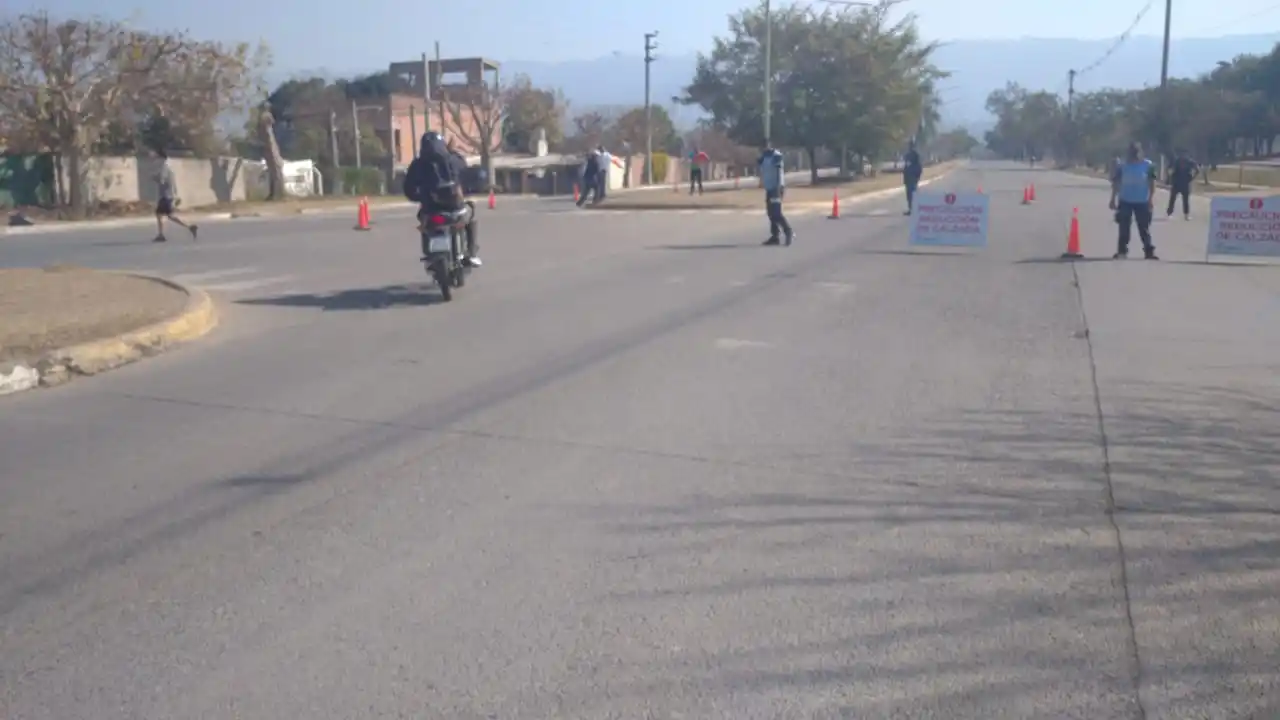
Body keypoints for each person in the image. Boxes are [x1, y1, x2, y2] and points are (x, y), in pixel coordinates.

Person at [404, 132, 480, 267]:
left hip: (430, 209)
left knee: (424, 223)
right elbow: (466, 173)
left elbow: (408, 188)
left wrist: (418, 197)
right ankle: (472, 253)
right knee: (469, 217)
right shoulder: (453, 159)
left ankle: (429, 253)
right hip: (455, 207)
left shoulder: (418, 164)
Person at [1109, 141, 1159, 260]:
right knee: (1124, 227)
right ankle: (1122, 251)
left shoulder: (1148, 165)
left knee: (1144, 227)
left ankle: (1148, 251)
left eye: (1136, 152)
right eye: (1132, 152)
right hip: (1125, 200)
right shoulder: (1122, 166)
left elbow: (1152, 183)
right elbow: (1116, 183)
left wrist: (1151, 199)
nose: (1134, 155)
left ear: (1140, 153)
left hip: (1142, 201)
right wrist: (1112, 199)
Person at [152, 149, 197, 242]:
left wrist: (154, 178)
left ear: (161, 158)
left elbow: (162, 180)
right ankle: (189, 227)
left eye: (156, 157)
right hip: (168, 195)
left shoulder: (164, 167)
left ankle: (162, 235)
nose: (155, 159)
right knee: (167, 215)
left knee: (163, 215)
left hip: (165, 196)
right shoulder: (168, 167)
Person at [759, 142, 793, 246]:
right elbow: (760, 166)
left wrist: (778, 188)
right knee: (770, 213)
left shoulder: (776, 156)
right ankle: (775, 236)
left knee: (776, 213)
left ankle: (788, 232)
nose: (764, 148)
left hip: (776, 188)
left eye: (765, 146)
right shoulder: (764, 156)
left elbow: (778, 172)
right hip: (769, 188)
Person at [1167, 149, 1200, 220]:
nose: (1183, 156)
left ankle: (1185, 214)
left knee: (1183, 200)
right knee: (1174, 199)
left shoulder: (1188, 162)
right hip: (1179, 182)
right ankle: (1171, 213)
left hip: (1182, 183)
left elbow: (1197, 170)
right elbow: (1169, 169)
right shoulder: (1177, 161)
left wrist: (1192, 177)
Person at [902, 141, 923, 215]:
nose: (910, 146)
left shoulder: (915, 155)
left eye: (911, 145)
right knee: (909, 195)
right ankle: (911, 209)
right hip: (908, 177)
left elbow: (919, 167)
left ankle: (914, 209)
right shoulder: (908, 155)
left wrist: (917, 177)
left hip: (913, 178)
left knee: (912, 194)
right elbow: (906, 166)